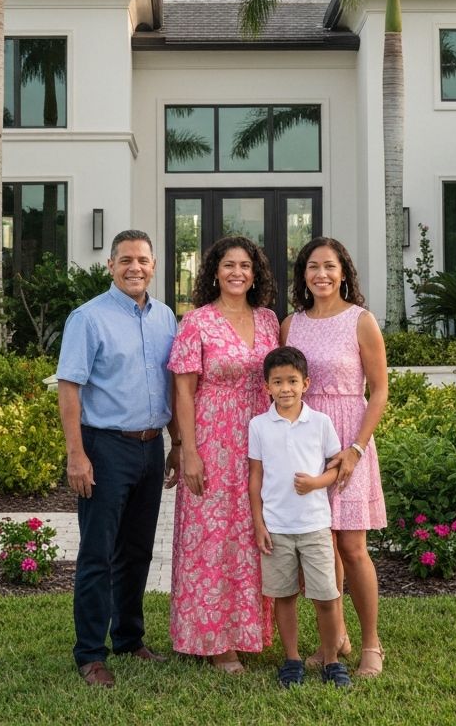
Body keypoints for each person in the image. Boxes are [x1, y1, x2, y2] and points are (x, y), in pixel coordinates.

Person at [56, 229, 178, 688]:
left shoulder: (165, 317)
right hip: (105, 447)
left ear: (153, 265)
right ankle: (90, 653)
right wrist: (77, 455)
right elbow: (70, 387)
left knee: (137, 551)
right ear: (110, 265)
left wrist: (176, 442)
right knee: (98, 554)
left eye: (143, 260)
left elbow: (169, 386)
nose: (135, 267)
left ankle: (129, 638)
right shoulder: (88, 318)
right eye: (125, 259)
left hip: (151, 446)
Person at [167, 236, 277, 673]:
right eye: (229, 265)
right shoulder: (196, 322)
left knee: (253, 537)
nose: (237, 272)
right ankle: (216, 642)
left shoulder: (269, 320)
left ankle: (250, 633)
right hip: (213, 441)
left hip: (260, 442)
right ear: (214, 271)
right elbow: (183, 390)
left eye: (246, 265)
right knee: (212, 541)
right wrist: (187, 451)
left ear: (256, 273)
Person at [281, 236, 388, 679]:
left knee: (351, 545)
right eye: (312, 267)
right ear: (302, 275)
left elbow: (379, 390)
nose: (320, 274)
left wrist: (356, 449)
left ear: (344, 271)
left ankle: (371, 644)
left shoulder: (361, 321)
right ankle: (336, 637)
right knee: (320, 546)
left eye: (329, 266)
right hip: (304, 441)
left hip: (349, 440)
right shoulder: (291, 324)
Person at [248, 346, 352, 689]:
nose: (286, 388)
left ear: (306, 383)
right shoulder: (259, 425)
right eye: (277, 382)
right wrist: (259, 524)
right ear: (267, 387)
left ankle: (331, 659)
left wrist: (315, 484)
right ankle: (291, 659)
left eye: (292, 380)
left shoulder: (320, 423)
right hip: (277, 529)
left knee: (326, 596)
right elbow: (255, 478)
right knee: (284, 596)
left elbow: (335, 468)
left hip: (314, 526)